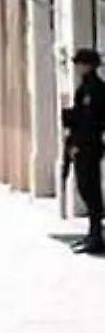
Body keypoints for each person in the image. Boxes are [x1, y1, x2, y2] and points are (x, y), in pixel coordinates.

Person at [64, 48, 105, 254]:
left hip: (88, 146)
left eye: (80, 63)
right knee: (86, 189)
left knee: (90, 190)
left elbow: (89, 121)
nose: (77, 67)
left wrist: (77, 144)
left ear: (88, 65)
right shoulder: (87, 87)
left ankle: (96, 236)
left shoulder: (94, 89)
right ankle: (93, 233)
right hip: (86, 145)